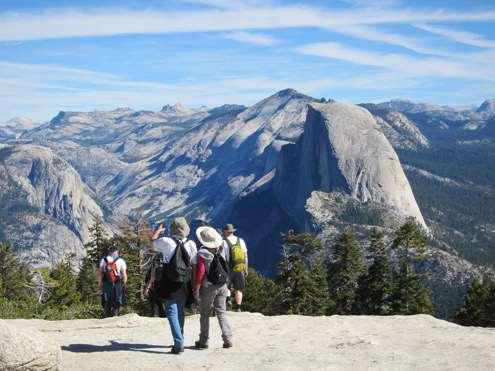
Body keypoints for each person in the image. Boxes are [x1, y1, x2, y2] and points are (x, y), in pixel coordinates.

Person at [147, 217, 197, 355]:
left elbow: (151, 245)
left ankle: (178, 343)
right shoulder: (191, 244)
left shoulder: (166, 241)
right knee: (180, 311)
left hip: (169, 280)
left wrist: (157, 232)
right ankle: (179, 338)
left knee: (171, 312)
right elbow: (194, 264)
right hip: (185, 281)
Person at [193, 226, 233, 349]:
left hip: (208, 287)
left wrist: (196, 289)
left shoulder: (202, 254)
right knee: (221, 312)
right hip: (222, 284)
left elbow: (200, 272)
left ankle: (203, 341)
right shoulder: (221, 249)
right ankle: (227, 338)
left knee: (205, 314)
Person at [221, 224, 248, 312]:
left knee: (226, 286)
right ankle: (238, 307)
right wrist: (246, 268)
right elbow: (245, 256)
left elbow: (222, 257)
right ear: (232, 231)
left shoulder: (224, 242)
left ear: (225, 231)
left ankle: (228, 299)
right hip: (240, 267)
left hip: (228, 267)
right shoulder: (241, 240)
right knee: (239, 289)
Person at [97, 246, 127, 317]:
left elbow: (100, 273)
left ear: (109, 251)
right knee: (117, 298)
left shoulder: (104, 260)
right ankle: (115, 314)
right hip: (118, 282)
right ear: (117, 251)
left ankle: (106, 314)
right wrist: (124, 284)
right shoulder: (121, 260)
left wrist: (100, 284)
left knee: (108, 299)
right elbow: (124, 274)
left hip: (107, 282)